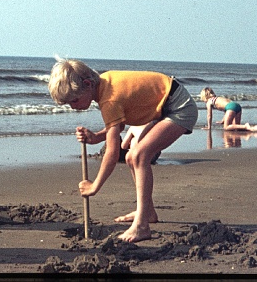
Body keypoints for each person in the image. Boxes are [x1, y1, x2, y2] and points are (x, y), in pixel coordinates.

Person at [48, 59, 198, 243]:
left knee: (139, 155)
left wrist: (94, 186)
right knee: (130, 158)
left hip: (179, 107)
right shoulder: (104, 85)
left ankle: (142, 226)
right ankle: (148, 212)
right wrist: (95, 137)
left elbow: (111, 152)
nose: (73, 107)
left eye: (74, 100)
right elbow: (117, 127)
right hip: (167, 103)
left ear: (87, 84)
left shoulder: (109, 99)